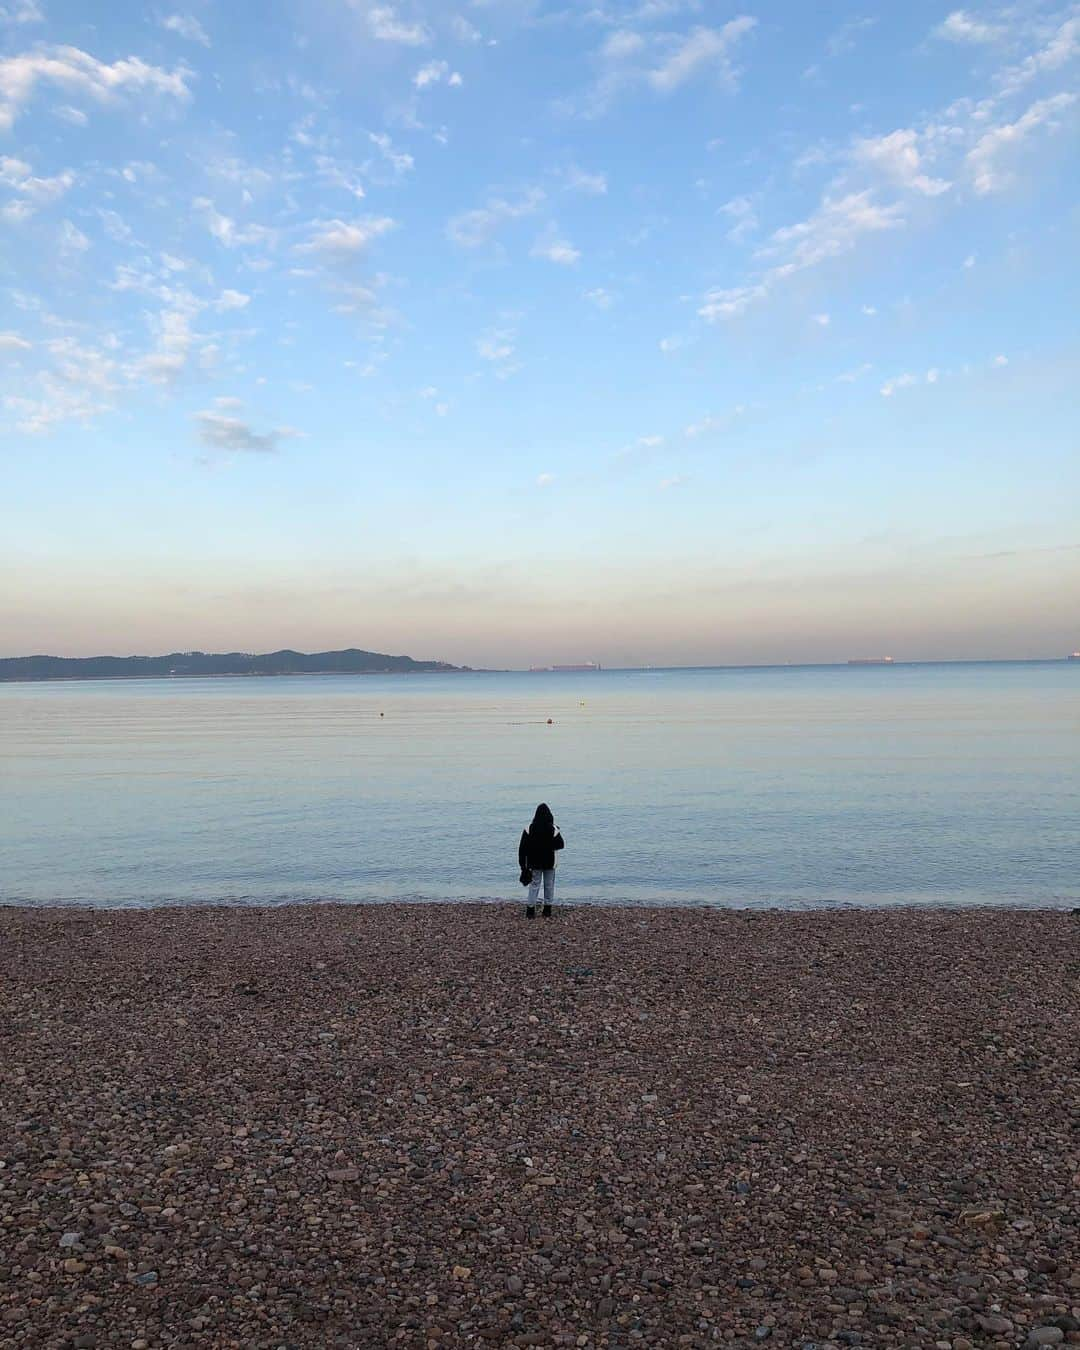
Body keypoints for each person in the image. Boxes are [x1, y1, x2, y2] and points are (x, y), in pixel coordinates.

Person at [518, 803, 565, 918]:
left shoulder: (529, 828)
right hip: (550, 862)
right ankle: (547, 910)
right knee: (549, 885)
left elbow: (522, 849)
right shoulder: (553, 829)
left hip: (534, 862)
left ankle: (530, 910)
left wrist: (523, 866)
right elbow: (561, 844)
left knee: (534, 885)